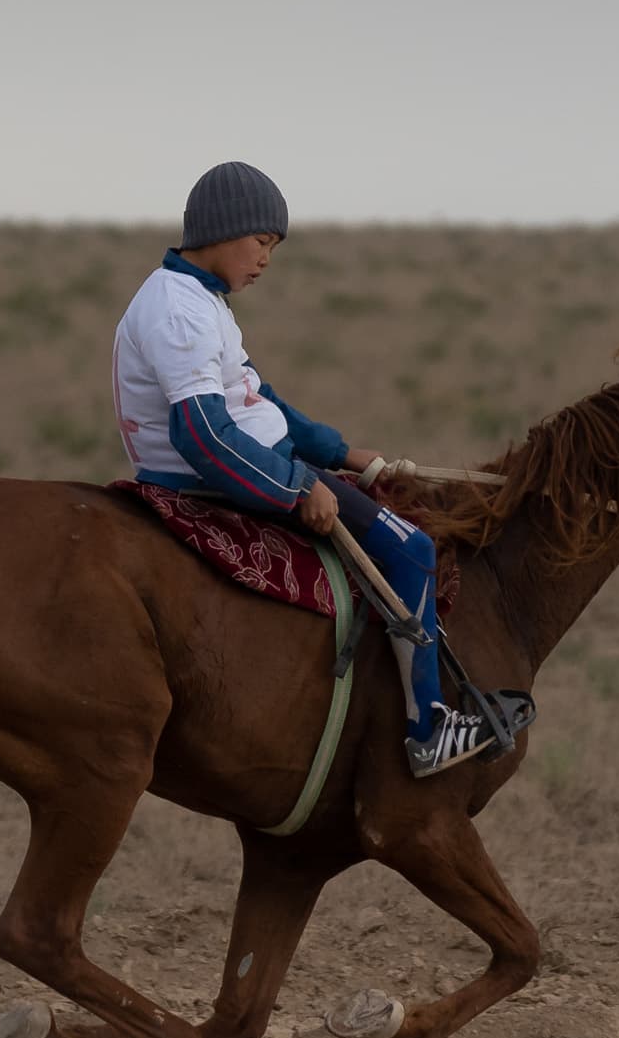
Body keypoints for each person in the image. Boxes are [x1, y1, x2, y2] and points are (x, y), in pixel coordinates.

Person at [111, 160, 495, 776]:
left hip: (251, 463)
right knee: (415, 551)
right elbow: (203, 435)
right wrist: (296, 489)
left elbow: (258, 398)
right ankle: (429, 728)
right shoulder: (178, 311)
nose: (266, 259)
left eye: (273, 247)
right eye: (260, 242)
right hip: (219, 477)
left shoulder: (201, 299)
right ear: (221, 230)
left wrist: (341, 455)